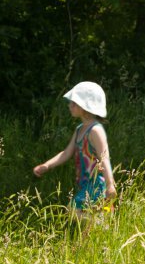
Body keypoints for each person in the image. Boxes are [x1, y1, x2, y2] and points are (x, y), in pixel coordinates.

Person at [33, 81, 116, 216]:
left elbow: (104, 158)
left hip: (97, 185)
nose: (70, 106)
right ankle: (97, 232)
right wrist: (47, 166)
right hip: (85, 184)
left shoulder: (95, 130)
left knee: (75, 211)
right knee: (87, 217)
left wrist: (110, 185)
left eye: (74, 103)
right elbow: (66, 153)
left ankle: (99, 229)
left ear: (86, 106)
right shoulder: (79, 130)